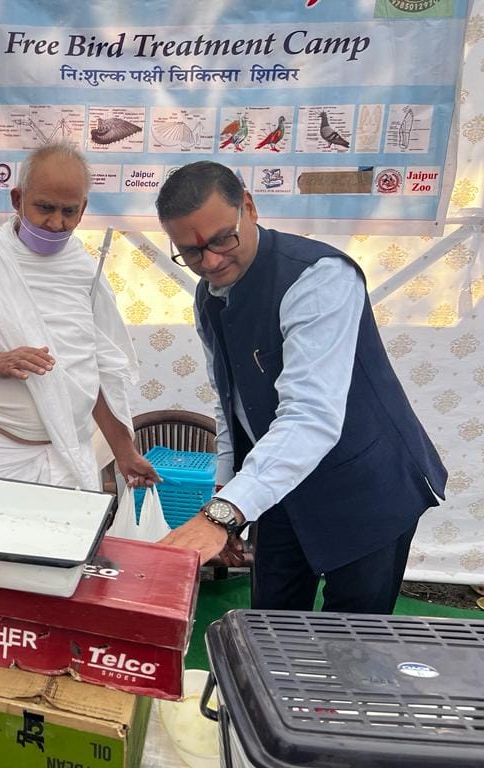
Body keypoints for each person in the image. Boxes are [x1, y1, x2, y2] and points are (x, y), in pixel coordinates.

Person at [156, 160, 447, 614]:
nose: (209, 260)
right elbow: (232, 404)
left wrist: (226, 513)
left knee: (351, 638)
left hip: (364, 485)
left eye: (221, 239)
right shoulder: (209, 295)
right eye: (191, 252)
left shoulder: (319, 277)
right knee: (269, 624)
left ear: (248, 208)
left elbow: (310, 416)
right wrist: (229, 501)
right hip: (283, 486)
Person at [0, 142, 158, 506]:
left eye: (69, 211)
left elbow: (94, 371)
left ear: (83, 209)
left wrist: (124, 452)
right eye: (44, 207)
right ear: (17, 199)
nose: (56, 223)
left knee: (63, 558)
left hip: (69, 456)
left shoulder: (85, 272)